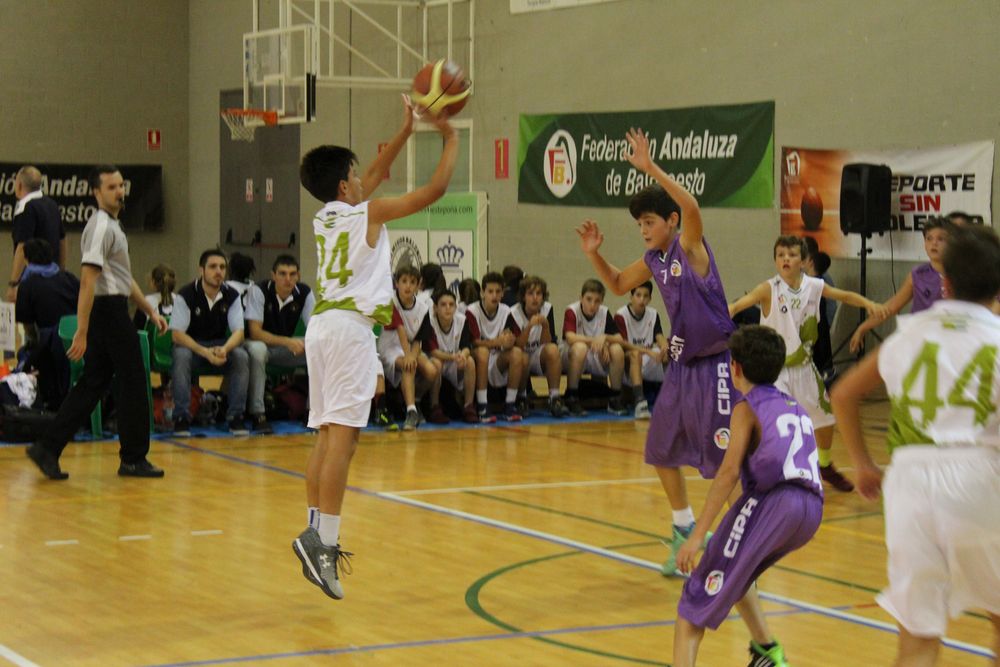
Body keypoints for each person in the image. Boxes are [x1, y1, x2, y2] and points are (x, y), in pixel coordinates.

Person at [292, 98, 458, 601]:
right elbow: (435, 190)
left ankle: (314, 531)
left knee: (329, 437)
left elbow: (378, 172)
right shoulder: (370, 212)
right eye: (357, 174)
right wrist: (448, 139)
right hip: (347, 331)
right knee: (342, 440)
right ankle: (325, 544)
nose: (367, 177)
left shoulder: (326, 217)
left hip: (322, 327)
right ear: (346, 184)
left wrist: (405, 130)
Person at [831, 224, 1000, 667]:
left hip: (908, 482)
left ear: (944, 281)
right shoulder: (996, 339)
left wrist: (865, 466)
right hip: (977, 474)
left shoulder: (911, 332)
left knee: (919, 635)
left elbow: (844, 394)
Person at [577, 128, 735, 577]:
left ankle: (739, 536)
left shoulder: (690, 245)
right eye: (639, 224)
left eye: (649, 222)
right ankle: (684, 528)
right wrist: (594, 255)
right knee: (661, 449)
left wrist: (651, 169)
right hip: (683, 367)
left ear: (669, 221)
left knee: (724, 460)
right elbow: (615, 285)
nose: (643, 230)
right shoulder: (652, 262)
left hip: (716, 365)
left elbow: (692, 207)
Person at [673, 325, 824, 667]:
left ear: (734, 367)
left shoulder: (746, 408)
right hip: (811, 510)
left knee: (697, 593)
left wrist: (697, 537)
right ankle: (766, 650)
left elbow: (727, 475)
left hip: (776, 504)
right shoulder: (793, 406)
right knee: (738, 571)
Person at [25, 165, 166, 480]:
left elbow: (123, 279)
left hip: (112, 310)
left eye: (121, 186)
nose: (119, 192)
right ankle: (133, 458)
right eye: (112, 187)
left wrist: (150, 310)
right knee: (133, 380)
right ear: (97, 192)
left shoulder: (113, 226)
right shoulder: (100, 227)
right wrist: (82, 330)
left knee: (93, 382)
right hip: (108, 314)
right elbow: (88, 281)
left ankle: (47, 448)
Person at [729, 235, 888, 492]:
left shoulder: (814, 286)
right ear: (775, 261)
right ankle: (767, 472)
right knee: (772, 425)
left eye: (791, 255)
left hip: (804, 368)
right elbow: (737, 306)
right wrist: (722, 312)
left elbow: (844, 295)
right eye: (780, 255)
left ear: (803, 261)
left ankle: (824, 465)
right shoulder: (768, 288)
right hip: (774, 372)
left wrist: (868, 303)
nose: (785, 259)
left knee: (825, 421)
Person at [169, 249, 250, 436]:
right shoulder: (186, 294)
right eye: (213, 267)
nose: (218, 271)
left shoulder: (232, 295)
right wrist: (205, 352)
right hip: (192, 346)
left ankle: (236, 417)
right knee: (180, 356)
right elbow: (177, 335)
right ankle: (181, 417)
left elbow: (239, 332)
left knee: (240, 355)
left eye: (222, 267)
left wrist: (225, 349)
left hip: (220, 345)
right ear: (201, 270)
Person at [849, 218, 952, 353]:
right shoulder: (917, 274)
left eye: (940, 239)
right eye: (929, 238)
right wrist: (863, 327)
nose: (934, 243)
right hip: (920, 341)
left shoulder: (961, 275)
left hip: (949, 341)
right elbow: (892, 306)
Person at [245, 254, 314, 434]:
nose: (287, 279)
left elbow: (315, 327)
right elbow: (255, 332)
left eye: (292, 274)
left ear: (298, 276)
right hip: (256, 345)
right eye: (282, 274)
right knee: (258, 350)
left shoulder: (305, 293)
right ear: (273, 275)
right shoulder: (259, 290)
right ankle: (258, 413)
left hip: (283, 349)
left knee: (318, 349)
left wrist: (309, 343)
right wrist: (288, 342)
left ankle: (312, 412)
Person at [15, 239, 79, 409]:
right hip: (81, 346)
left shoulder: (27, 285)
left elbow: (28, 328)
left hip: (52, 350)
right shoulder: (69, 278)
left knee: (24, 355)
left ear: (27, 260)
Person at [377, 264, 441, 430]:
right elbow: (400, 330)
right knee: (409, 366)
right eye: (404, 281)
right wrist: (409, 356)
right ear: (396, 283)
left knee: (432, 371)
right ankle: (411, 412)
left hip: (410, 347)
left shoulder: (423, 308)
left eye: (412, 282)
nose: (408, 286)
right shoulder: (389, 300)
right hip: (389, 347)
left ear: (418, 285)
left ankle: (415, 400)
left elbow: (418, 339)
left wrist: (412, 355)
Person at [561, 279, 629, 417]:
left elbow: (620, 339)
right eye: (589, 299)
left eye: (597, 301)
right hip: (570, 355)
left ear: (602, 301)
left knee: (616, 350)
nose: (592, 304)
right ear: (581, 298)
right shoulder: (572, 310)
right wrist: (597, 341)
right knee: (580, 347)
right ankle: (572, 397)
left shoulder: (604, 312)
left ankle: (614, 398)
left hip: (595, 355)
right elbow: (570, 338)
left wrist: (604, 337)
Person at [467, 271, 525, 423]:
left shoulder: (506, 311)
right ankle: (482, 405)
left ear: (502, 294)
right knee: (482, 351)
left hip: (497, 357)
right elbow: (474, 342)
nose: (494, 295)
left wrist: (509, 341)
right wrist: (498, 342)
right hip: (479, 356)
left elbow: (513, 338)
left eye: (498, 291)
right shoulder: (472, 311)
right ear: (482, 293)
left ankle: (510, 405)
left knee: (517, 353)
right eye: (490, 291)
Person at [508, 275, 569, 418]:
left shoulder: (547, 309)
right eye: (530, 294)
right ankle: (521, 398)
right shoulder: (514, 313)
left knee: (553, 350)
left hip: (536, 354)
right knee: (520, 355)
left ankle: (554, 398)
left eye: (539, 294)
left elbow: (546, 344)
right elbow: (518, 345)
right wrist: (529, 327)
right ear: (523, 296)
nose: (535, 298)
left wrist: (546, 327)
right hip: (520, 354)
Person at [7, 166, 66, 302]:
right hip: (53, 277)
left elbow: (22, 247)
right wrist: (61, 272)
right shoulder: (52, 204)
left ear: (19, 185)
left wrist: (13, 283)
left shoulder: (25, 207)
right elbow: (62, 240)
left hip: (32, 280)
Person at [615, 280, 668, 420]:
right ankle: (640, 402)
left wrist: (664, 347)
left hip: (648, 356)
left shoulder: (653, 314)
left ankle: (672, 397)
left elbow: (659, 336)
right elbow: (624, 344)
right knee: (635, 354)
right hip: (629, 360)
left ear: (650, 298)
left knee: (669, 354)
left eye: (645, 296)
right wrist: (648, 351)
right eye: (638, 295)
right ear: (631, 296)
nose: (642, 299)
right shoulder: (621, 315)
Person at [427, 289, 479, 423]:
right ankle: (434, 407)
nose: (447, 308)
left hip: (454, 361)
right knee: (436, 363)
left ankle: (468, 406)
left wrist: (463, 355)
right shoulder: (430, 322)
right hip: (436, 361)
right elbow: (432, 351)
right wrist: (454, 357)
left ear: (456, 307)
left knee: (470, 361)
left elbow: (467, 346)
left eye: (451, 304)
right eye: (443, 304)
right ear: (435, 308)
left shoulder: (462, 320)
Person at [133, 263, 177, 330]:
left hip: (152, 340)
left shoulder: (146, 301)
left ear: (153, 282)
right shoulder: (178, 299)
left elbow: (136, 329)